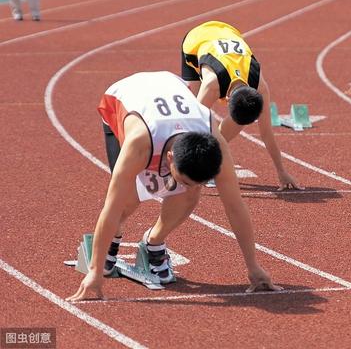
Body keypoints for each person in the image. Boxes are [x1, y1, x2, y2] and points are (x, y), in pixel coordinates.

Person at [66, 71, 281, 302]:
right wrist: (95, 273)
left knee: (189, 194)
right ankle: (114, 239)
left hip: (171, 87)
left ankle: (153, 242)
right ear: (169, 158)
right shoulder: (139, 143)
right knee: (126, 200)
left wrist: (253, 266)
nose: (185, 186)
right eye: (184, 179)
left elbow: (235, 206)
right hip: (123, 98)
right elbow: (111, 206)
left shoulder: (214, 138)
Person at [181, 20, 302, 191]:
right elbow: (189, 125)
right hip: (196, 40)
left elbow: (267, 133)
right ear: (228, 99)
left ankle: (212, 158)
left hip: (228, 31)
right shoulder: (211, 85)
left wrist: (281, 171)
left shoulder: (260, 87)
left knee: (237, 118)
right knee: (197, 119)